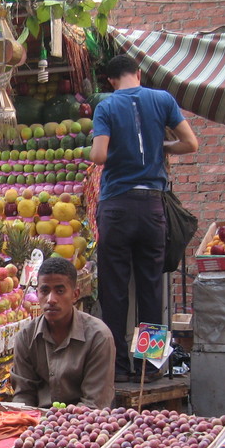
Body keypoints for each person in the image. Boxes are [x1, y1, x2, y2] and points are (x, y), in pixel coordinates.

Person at [90, 54, 199, 382]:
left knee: (115, 291)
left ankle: (118, 367)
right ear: (138, 73)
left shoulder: (106, 107)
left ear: (110, 81)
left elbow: (98, 155)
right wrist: (161, 146)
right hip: (152, 208)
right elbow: (190, 143)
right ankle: (149, 368)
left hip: (116, 208)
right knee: (151, 289)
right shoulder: (163, 99)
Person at [11, 257, 116, 408]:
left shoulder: (98, 337)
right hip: (38, 423)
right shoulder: (26, 337)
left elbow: (95, 403)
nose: (51, 299)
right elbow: (23, 396)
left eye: (60, 291)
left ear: (75, 295)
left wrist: (61, 426)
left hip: (84, 424)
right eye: (44, 291)